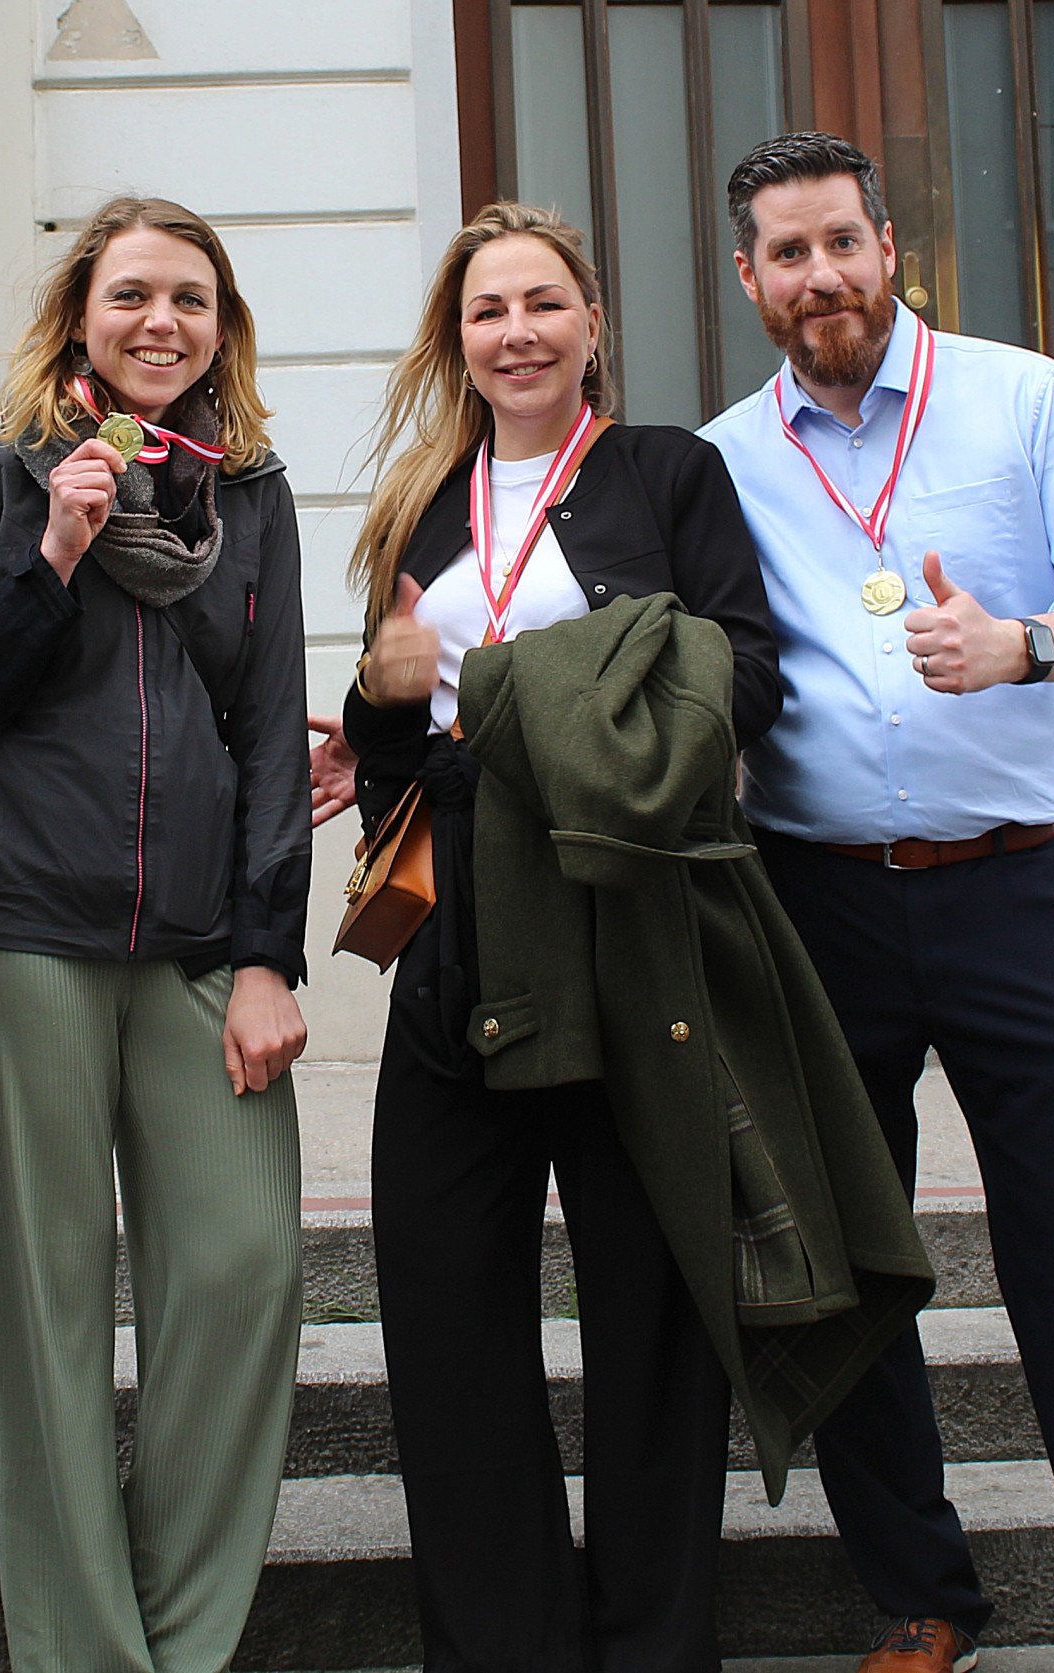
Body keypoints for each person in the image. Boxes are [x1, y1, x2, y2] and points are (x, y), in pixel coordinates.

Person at [697, 132, 1054, 1673]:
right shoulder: (720, 456)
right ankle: (919, 1592)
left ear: (889, 244)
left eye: (842, 241)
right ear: (748, 275)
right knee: (847, 1257)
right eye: (788, 252)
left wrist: (1031, 646)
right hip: (816, 900)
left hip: (1021, 887)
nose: (820, 274)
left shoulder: (1024, 397)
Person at [341, 201, 785, 1671]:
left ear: (594, 322)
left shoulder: (669, 473)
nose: (516, 332)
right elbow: (392, 763)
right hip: (460, 937)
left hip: (629, 919)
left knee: (652, 1316)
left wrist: (532, 687)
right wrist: (387, 697)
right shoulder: (420, 502)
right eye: (486, 311)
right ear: (454, 341)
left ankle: (657, 1648)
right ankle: (503, 1645)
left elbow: (748, 676)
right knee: (448, 1314)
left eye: (543, 303)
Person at [0, 196, 310, 1673]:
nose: (162, 322)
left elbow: (270, 737)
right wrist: (55, 550)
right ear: (81, 309)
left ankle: (184, 1643)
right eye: (133, 293)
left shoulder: (246, 492)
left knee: (241, 1275)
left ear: (221, 325)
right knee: (49, 1314)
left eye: (191, 299)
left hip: (202, 947)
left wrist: (270, 952)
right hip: (13, 940)